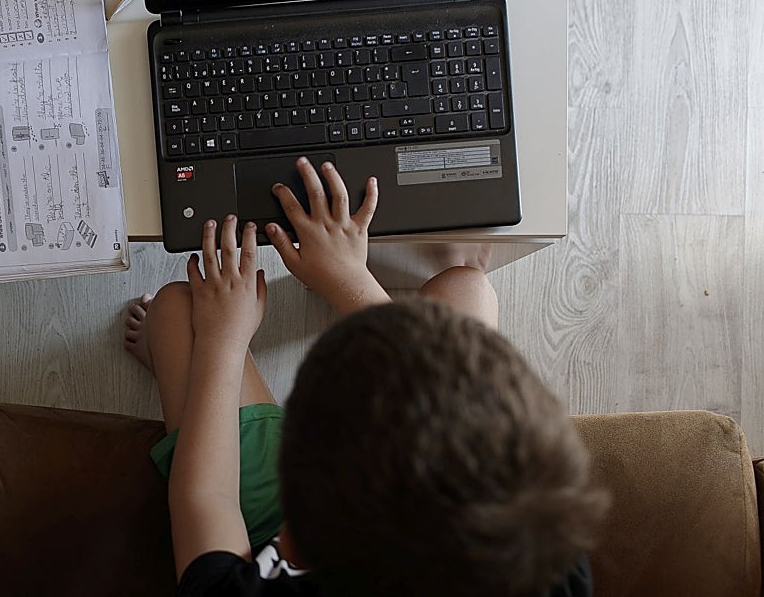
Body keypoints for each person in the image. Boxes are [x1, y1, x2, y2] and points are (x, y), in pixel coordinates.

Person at [122, 157, 608, 595]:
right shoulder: (545, 561)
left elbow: (206, 499)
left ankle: (177, 373)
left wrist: (220, 341)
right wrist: (344, 277)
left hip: (276, 527)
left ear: (295, 536)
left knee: (178, 311)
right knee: (467, 286)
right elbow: (462, 395)